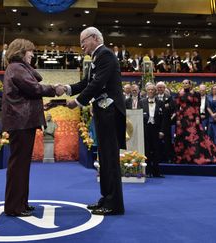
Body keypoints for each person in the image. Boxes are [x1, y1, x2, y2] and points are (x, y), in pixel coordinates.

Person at [62, 27, 126, 215]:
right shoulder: (96, 58)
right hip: (103, 112)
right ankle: (106, 198)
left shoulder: (105, 54)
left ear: (95, 38)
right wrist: (65, 88)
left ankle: (114, 204)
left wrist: (78, 102)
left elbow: (97, 84)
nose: (81, 46)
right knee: (104, 158)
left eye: (83, 41)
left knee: (110, 158)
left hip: (110, 112)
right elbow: (86, 83)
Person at [1, 38, 62, 217]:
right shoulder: (16, 68)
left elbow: (28, 89)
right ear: (21, 51)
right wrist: (54, 89)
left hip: (22, 122)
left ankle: (20, 203)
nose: (32, 55)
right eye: (30, 51)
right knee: (19, 165)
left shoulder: (16, 68)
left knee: (21, 165)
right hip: (21, 123)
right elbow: (33, 88)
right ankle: (14, 207)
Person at [174, 79, 216, 164]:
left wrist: (197, 118)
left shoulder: (195, 94)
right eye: (183, 83)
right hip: (183, 118)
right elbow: (177, 108)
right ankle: (184, 158)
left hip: (193, 117)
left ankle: (195, 156)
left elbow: (197, 107)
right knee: (183, 137)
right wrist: (178, 119)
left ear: (190, 84)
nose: (185, 85)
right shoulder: (179, 94)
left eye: (186, 83)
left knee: (195, 137)